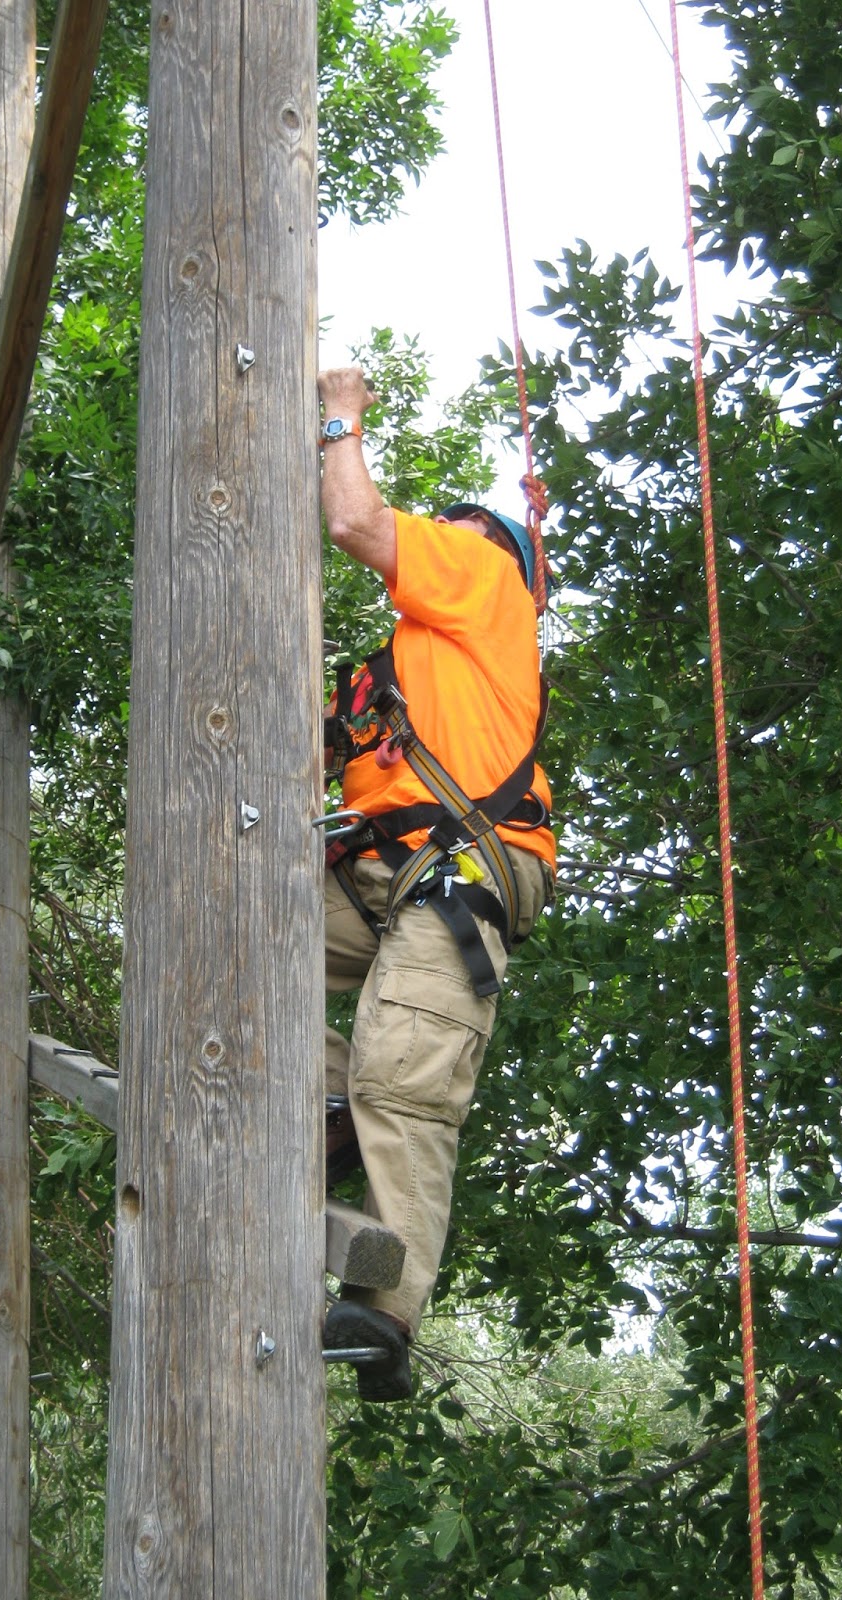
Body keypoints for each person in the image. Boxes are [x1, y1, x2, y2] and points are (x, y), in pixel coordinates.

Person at [318, 366, 557, 1400]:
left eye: (460, 526)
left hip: (452, 881)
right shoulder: (400, 669)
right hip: (379, 877)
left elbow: (359, 521)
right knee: (231, 937)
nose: (442, 538)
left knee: (403, 1076)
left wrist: (341, 417)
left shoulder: (487, 579)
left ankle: (386, 1318)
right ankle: (319, 1110)